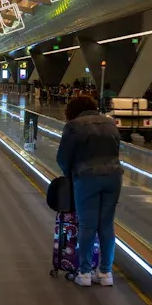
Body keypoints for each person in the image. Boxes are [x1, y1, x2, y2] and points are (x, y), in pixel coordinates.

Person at [55, 95, 122, 287]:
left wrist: (70, 176)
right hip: (114, 178)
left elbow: (62, 157)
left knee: (87, 226)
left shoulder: (74, 126)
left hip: (86, 178)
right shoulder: (110, 124)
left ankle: (84, 273)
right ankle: (105, 273)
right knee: (107, 226)